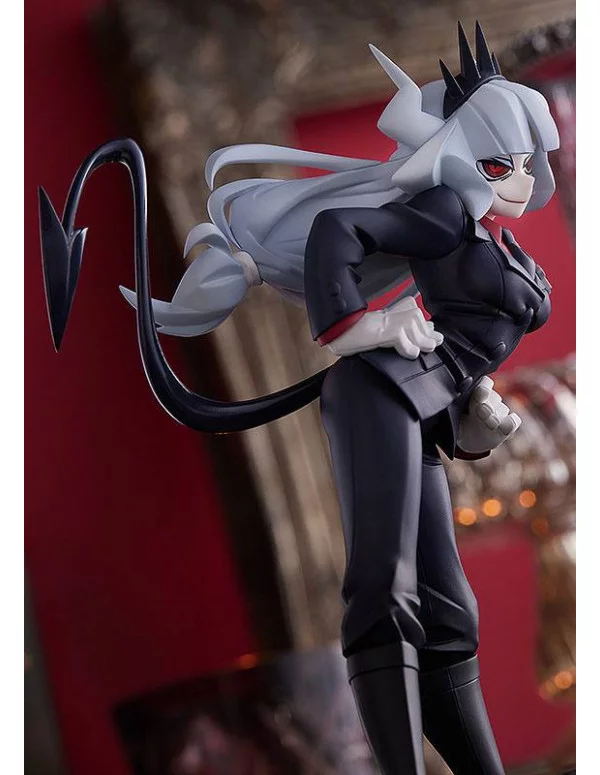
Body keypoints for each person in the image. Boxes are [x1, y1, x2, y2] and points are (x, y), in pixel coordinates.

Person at [39, 22, 559, 775]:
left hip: (418, 403)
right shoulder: (447, 213)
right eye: (500, 163)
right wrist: (358, 325)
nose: (521, 179)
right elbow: (337, 231)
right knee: (386, 591)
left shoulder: (482, 232)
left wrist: (472, 403)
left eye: (526, 162)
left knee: (451, 611)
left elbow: (463, 339)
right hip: (382, 391)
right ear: (459, 157)